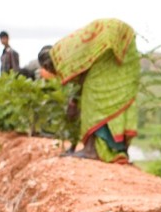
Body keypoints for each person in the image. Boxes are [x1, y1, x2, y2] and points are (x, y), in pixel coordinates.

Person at [37, 18, 140, 163]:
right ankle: (113, 149)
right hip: (123, 46)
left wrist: (73, 103)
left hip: (116, 44)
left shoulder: (62, 59)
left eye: (48, 68)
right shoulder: (65, 50)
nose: (52, 72)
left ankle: (91, 150)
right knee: (107, 101)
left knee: (91, 101)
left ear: (49, 63)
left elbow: (81, 77)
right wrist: (73, 102)